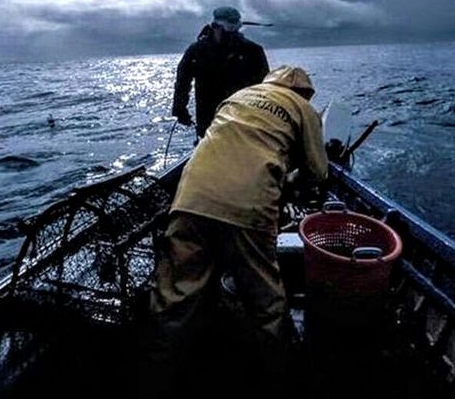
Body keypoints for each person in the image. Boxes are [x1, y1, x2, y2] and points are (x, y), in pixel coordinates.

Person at [140, 65, 328, 398]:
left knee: (175, 296)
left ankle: (154, 378)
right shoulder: (303, 109)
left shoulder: (237, 97)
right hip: (248, 209)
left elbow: (231, 145)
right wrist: (292, 183)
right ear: (304, 93)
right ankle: (281, 381)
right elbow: (317, 171)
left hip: (191, 199)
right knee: (265, 300)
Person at [171, 6, 269, 137]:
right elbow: (182, 82)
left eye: (235, 28)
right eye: (228, 27)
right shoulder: (197, 51)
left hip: (244, 120)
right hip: (210, 122)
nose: (231, 33)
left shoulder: (253, 51)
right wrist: (179, 109)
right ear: (215, 26)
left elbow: (265, 87)